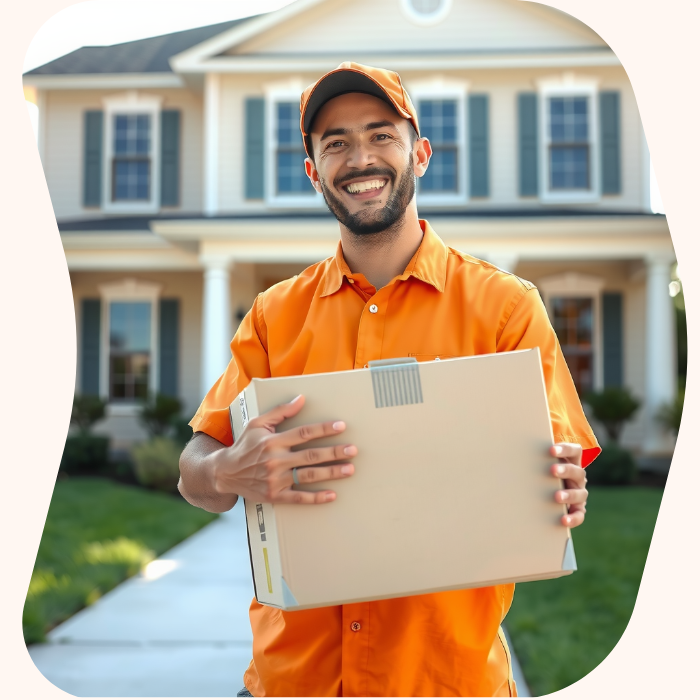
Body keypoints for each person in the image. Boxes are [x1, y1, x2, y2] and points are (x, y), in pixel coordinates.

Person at [179, 62, 600, 697]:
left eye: (381, 135)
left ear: (420, 154)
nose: (359, 158)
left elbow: (559, 477)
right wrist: (224, 471)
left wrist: (562, 492)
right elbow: (196, 467)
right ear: (313, 170)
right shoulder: (273, 316)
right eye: (336, 143)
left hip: (444, 681)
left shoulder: (505, 308)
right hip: (290, 683)